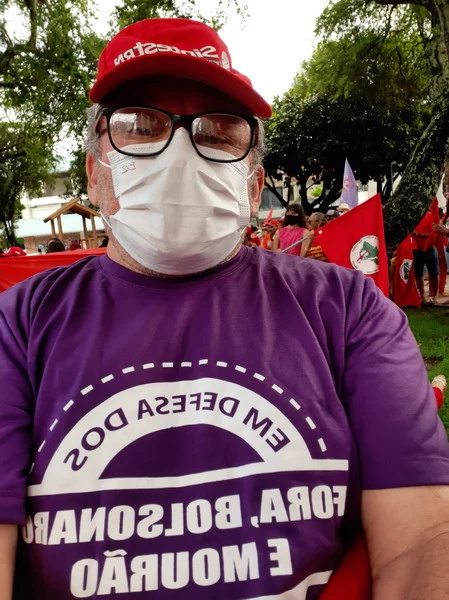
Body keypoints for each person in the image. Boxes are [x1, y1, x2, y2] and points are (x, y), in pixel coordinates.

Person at [1, 17, 449, 600]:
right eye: (140, 125)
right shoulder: (18, 325)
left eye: (217, 133)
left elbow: (423, 542)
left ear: (252, 184)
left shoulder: (348, 311)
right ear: (95, 174)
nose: (178, 153)